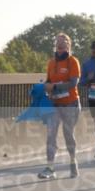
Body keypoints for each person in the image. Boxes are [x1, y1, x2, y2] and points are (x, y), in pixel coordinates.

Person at [38, 33, 81, 180]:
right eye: (58, 43)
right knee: (51, 136)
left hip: (71, 103)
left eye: (63, 43)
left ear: (68, 45)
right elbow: (48, 81)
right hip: (55, 104)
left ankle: (73, 162)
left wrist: (54, 87)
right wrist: (43, 87)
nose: (60, 45)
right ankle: (50, 167)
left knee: (68, 135)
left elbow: (73, 83)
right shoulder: (51, 63)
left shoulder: (73, 61)